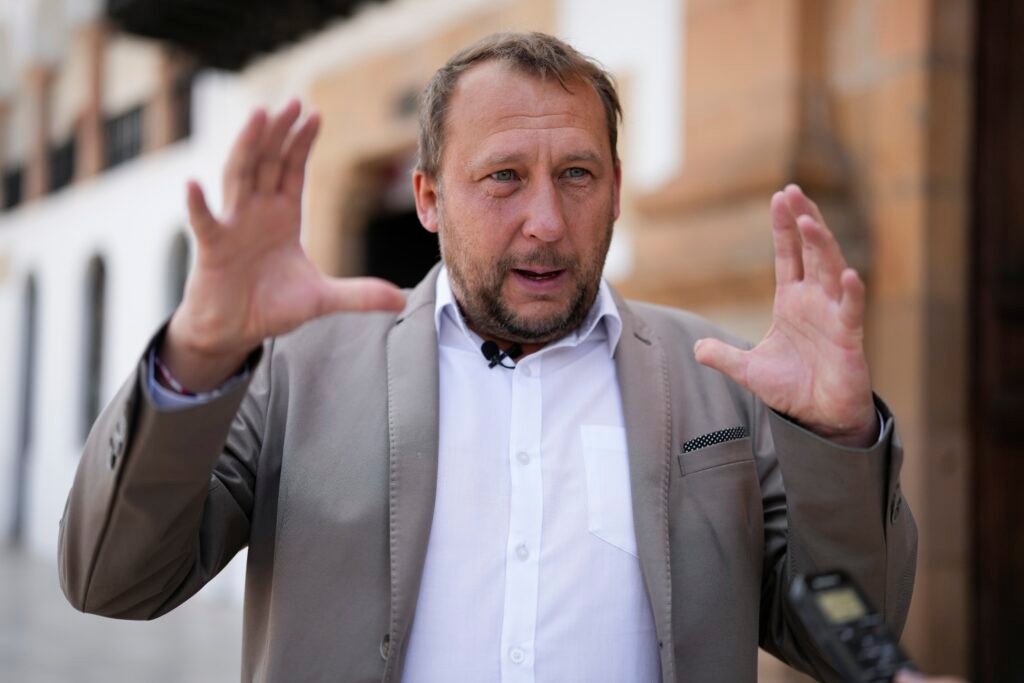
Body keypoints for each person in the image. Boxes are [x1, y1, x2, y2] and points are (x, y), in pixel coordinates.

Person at [59, 32, 917, 682]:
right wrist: (200, 354)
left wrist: (838, 441)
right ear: (429, 197)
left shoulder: (716, 377)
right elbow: (114, 580)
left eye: (576, 175)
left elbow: (850, 641)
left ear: (617, 189)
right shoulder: (297, 370)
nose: (546, 220)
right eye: (504, 176)